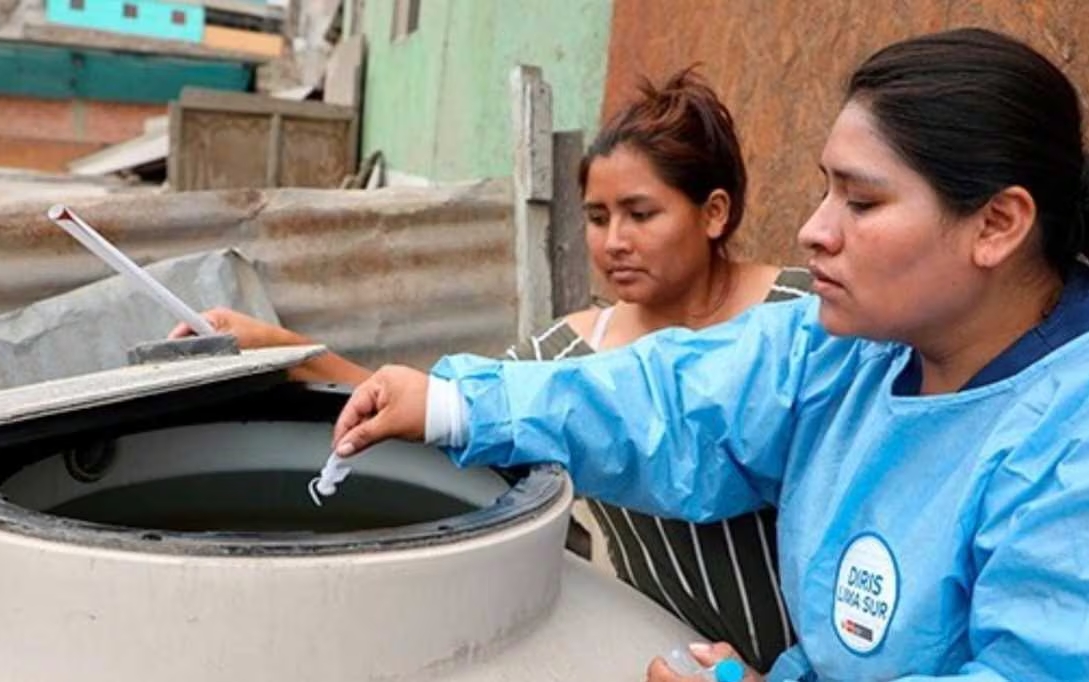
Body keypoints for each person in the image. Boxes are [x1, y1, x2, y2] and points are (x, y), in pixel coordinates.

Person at [329, 28, 1089, 682]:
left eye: (862, 200)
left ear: (997, 225)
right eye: (823, 191)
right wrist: (456, 404)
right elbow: (676, 405)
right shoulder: (849, 351)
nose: (816, 229)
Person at [171, 70, 809, 670]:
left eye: (641, 214)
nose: (614, 240)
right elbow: (437, 408)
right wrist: (282, 350)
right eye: (596, 217)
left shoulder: (809, 323)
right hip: (675, 661)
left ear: (714, 212)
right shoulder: (569, 359)